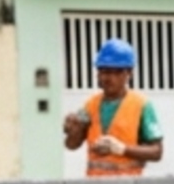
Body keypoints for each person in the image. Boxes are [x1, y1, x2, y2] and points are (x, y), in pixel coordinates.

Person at [65, 39, 162, 176]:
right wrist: (74, 129)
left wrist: (121, 149)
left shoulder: (141, 105)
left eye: (115, 72)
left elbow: (157, 152)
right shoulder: (90, 105)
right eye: (103, 71)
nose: (107, 78)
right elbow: (71, 145)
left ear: (129, 73)